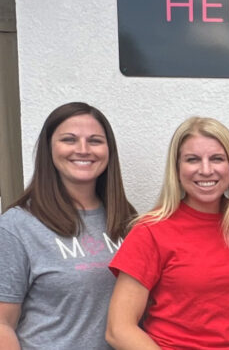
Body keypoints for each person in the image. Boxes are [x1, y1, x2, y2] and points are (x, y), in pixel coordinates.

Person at [105, 117, 229, 349]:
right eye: (192, 160)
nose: (205, 170)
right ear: (177, 168)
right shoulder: (150, 231)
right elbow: (118, 329)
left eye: (217, 159)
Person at [0, 102, 137, 350]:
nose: (83, 150)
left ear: (108, 150)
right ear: (49, 148)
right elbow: (2, 324)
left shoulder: (126, 220)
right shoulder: (18, 225)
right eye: (69, 140)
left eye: (95, 141)